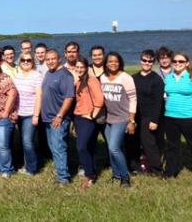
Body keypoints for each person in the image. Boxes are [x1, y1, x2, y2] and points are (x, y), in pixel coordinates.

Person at [163, 52, 192, 181]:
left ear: (187, 63)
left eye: (181, 61)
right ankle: (171, 172)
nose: (177, 64)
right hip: (170, 117)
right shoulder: (168, 78)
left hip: (189, 118)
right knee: (172, 146)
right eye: (175, 61)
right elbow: (166, 95)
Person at [100, 52, 137, 188]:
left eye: (116, 61)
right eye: (110, 61)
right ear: (106, 63)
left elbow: (133, 99)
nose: (113, 63)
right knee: (113, 149)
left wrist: (131, 121)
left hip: (122, 118)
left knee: (114, 147)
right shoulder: (103, 77)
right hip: (107, 118)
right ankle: (116, 175)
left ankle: (125, 178)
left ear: (120, 63)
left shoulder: (125, 78)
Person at [41, 49, 75, 184]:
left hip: (58, 118)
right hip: (48, 118)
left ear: (59, 58)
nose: (50, 62)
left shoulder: (65, 75)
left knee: (59, 147)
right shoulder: (49, 73)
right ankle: (60, 170)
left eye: (53, 59)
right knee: (53, 146)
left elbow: (69, 97)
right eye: (48, 59)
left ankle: (63, 177)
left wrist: (60, 115)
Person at [73, 56, 104, 188]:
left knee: (81, 146)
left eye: (82, 67)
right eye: (77, 67)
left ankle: (89, 175)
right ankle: (92, 171)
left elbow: (100, 100)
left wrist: (92, 115)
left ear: (86, 68)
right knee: (88, 146)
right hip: (78, 117)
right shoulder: (79, 82)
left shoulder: (92, 80)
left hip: (88, 119)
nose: (79, 69)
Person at [132, 50, 165, 176]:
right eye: (144, 60)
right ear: (140, 61)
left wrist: (154, 120)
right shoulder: (133, 78)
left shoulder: (157, 80)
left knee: (148, 143)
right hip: (135, 115)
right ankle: (135, 167)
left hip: (149, 116)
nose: (147, 63)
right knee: (133, 141)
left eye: (150, 61)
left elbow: (158, 102)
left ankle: (156, 169)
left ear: (153, 63)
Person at [13, 53, 42, 176]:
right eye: (23, 60)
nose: (25, 62)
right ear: (19, 62)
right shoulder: (17, 76)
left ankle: (32, 168)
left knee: (27, 141)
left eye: (28, 60)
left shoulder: (37, 76)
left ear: (33, 62)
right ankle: (26, 164)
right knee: (23, 141)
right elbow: (14, 96)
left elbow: (39, 96)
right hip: (19, 113)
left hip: (30, 114)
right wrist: (13, 111)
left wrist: (36, 115)